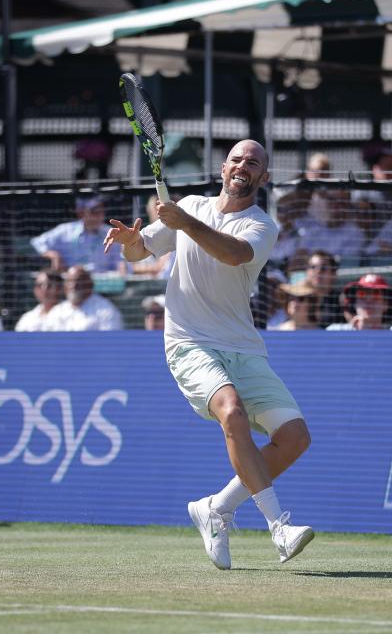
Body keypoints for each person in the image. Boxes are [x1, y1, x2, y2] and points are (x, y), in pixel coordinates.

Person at [103, 139, 315, 570]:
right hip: (189, 341)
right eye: (236, 159)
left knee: (295, 438)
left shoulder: (261, 226)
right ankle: (279, 527)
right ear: (223, 168)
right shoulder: (191, 205)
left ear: (264, 177)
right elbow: (141, 250)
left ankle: (216, 508)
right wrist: (129, 241)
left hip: (243, 347)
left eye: (253, 163)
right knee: (231, 412)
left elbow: (233, 254)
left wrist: (183, 223)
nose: (243, 166)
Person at [30, 195, 122, 274]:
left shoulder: (112, 234)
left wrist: (122, 267)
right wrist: (53, 255)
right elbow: (37, 242)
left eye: (101, 211)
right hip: (71, 284)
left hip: (104, 286)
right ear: (81, 213)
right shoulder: (65, 231)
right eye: (93, 211)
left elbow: (120, 263)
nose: (99, 215)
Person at [43, 265, 123, 331]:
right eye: (69, 281)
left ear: (89, 284)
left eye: (78, 281)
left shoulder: (105, 310)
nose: (73, 286)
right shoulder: (57, 311)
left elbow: (110, 343)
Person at [327, 274, 392, 331]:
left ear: (386, 305)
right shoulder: (335, 331)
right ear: (355, 303)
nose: (369, 300)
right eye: (361, 294)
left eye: (376, 295)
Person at [304, 250, 344, 328]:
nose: (318, 271)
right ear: (307, 271)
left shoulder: (343, 301)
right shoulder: (300, 300)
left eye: (323, 268)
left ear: (334, 274)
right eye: (313, 267)